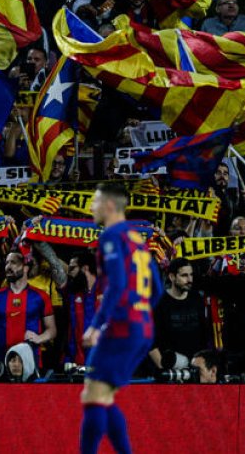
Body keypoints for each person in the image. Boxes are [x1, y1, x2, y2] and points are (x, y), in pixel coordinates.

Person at [79, 182, 162, 454]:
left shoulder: (111, 236)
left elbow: (116, 283)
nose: (91, 206)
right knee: (104, 397)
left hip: (122, 328)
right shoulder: (138, 239)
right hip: (142, 329)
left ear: (110, 205)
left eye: (95, 201)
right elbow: (157, 290)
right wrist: (139, 315)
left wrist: (96, 325)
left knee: (92, 396)